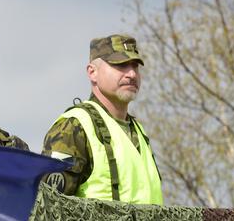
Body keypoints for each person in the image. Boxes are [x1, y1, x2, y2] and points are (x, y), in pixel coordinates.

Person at [42, 34, 162, 204]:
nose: (132, 74)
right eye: (120, 65)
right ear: (92, 72)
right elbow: (49, 209)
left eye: (135, 66)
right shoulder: (75, 126)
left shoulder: (139, 132)